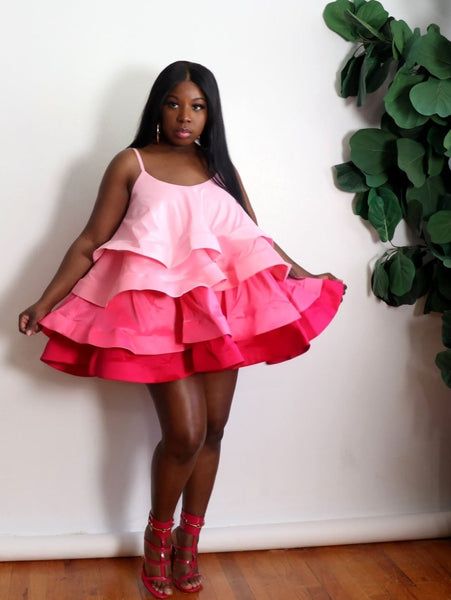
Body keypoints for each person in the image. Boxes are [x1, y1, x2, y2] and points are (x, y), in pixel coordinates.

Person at [18, 60, 347, 598]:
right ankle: (158, 536)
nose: (184, 116)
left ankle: (189, 543)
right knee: (185, 434)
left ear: (210, 113)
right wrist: (45, 301)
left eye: (197, 106)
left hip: (217, 313)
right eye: (174, 103)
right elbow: (90, 242)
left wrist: (305, 275)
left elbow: (255, 240)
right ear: (158, 107)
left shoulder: (220, 169)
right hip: (155, 317)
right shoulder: (132, 164)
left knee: (214, 430)